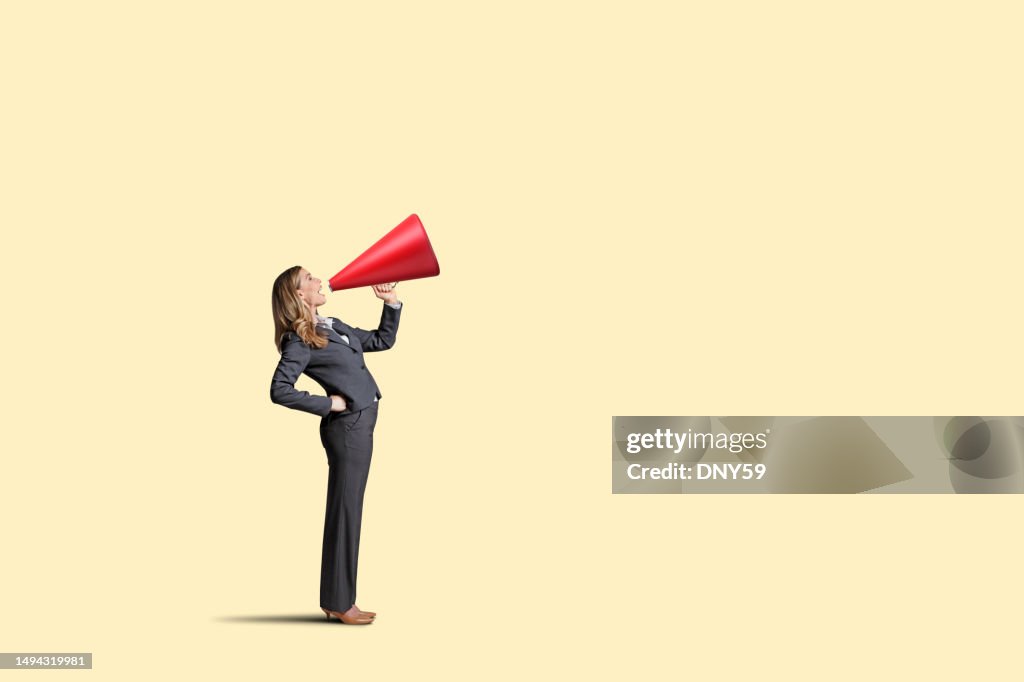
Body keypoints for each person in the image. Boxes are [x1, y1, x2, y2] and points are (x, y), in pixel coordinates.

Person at [270, 265, 402, 625]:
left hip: (360, 425)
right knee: (347, 511)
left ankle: (335, 599)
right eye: (310, 279)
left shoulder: (334, 326)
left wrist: (390, 304)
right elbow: (279, 390)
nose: (319, 280)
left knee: (347, 510)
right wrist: (328, 404)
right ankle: (342, 603)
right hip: (348, 429)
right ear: (299, 295)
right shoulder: (299, 340)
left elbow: (380, 341)